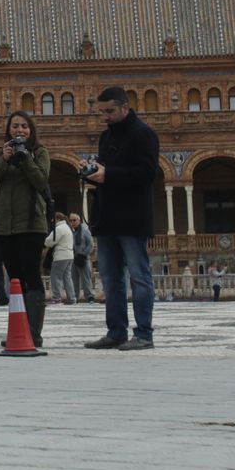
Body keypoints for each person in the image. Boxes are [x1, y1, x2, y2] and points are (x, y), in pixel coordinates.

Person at [82, 86, 161, 351]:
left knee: (139, 276)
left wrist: (109, 175)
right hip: (107, 217)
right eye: (102, 112)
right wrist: (92, 173)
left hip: (132, 217)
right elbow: (107, 172)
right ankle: (115, 331)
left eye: (110, 111)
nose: (105, 116)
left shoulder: (144, 134)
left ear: (125, 107)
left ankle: (144, 333)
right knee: (110, 277)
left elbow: (148, 173)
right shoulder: (105, 138)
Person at [0, 110, 52, 346]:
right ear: (8, 130)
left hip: (32, 224)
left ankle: (34, 333)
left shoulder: (40, 152)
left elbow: (41, 181)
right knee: (14, 278)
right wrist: (3, 160)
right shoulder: (1, 152)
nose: (20, 130)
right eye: (15, 126)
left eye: (24, 126)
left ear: (31, 130)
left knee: (31, 275)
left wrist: (26, 160)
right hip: (5, 226)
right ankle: (18, 329)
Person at [45, 212, 75, 305]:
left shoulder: (59, 229)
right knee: (67, 277)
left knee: (55, 277)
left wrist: (45, 242)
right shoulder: (67, 228)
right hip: (69, 255)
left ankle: (57, 297)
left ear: (57, 219)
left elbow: (49, 241)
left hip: (60, 256)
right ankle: (72, 297)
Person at [70, 212, 96, 302]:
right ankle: (75, 297)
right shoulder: (72, 232)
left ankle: (89, 297)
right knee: (74, 279)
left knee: (86, 279)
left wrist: (83, 254)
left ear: (79, 220)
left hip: (83, 258)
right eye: (71, 221)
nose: (73, 222)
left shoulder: (85, 231)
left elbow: (91, 244)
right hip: (74, 258)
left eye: (74, 220)